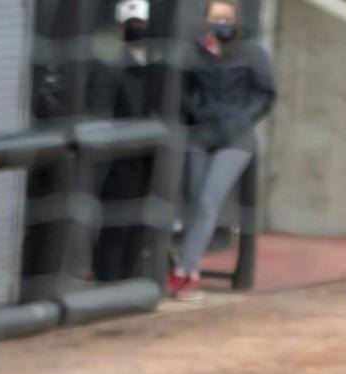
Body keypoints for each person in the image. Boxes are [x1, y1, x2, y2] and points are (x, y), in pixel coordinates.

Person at [171, 0, 273, 302]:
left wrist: (240, 121)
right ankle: (189, 267)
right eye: (216, 18)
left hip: (236, 139)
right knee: (194, 201)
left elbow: (265, 94)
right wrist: (198, 112)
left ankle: (185, 271)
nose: (222, 23)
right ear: (205, 20)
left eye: (227, 18)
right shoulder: (194, 52)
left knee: (207, 200)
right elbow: (183, 90)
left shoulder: (252, 51)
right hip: (200, 133)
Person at [87, 0, 158, 283]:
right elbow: (100, 110)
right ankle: (108, 284)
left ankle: (126, 284)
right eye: (131, 23)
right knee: (116, 226)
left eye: (141, 22)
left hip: (146, 157)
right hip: (118, 160)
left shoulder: (155, 62)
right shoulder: (109, 61)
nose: (137, 28)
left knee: (137, 227)